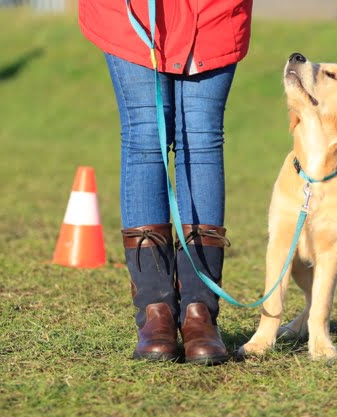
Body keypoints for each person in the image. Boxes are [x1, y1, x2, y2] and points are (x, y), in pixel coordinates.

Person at [78, 0, 253, 364]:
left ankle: (199, 313)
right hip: (136, 14)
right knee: (144, 139)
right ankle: (154, 311)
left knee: (202, 140)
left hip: (211, 12)